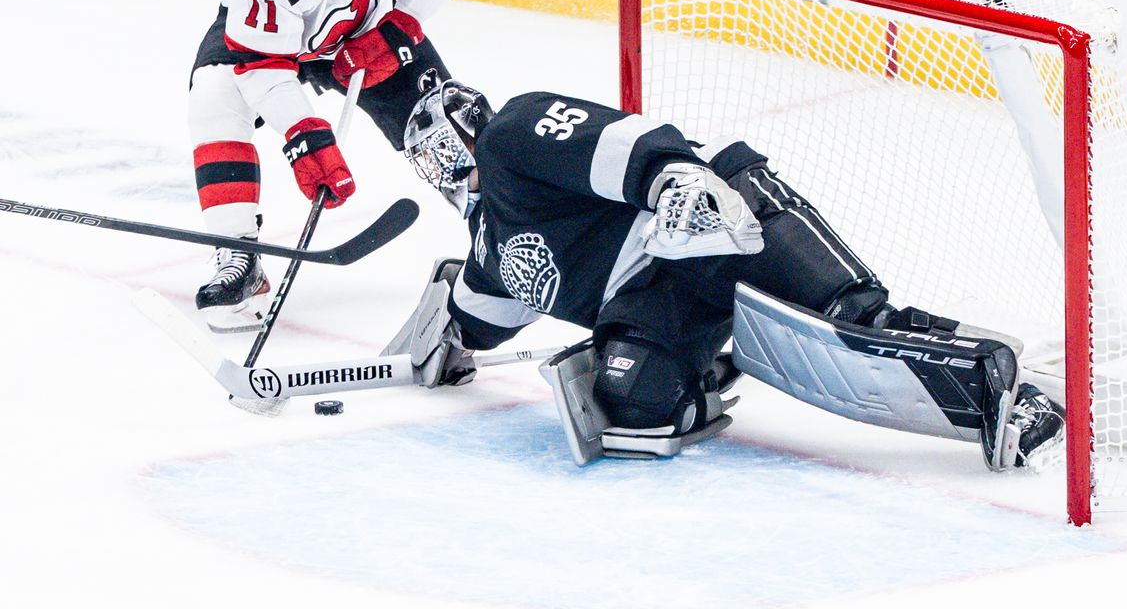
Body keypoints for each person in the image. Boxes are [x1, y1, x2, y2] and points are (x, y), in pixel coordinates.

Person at [388, 80, 1065, 470]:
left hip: (725, 210)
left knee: (852, 324)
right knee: (633, 404)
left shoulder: (514, 135)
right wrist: (444, 341)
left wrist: (675, 178)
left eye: (432, 154)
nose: (436, 168)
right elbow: (476, 318)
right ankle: (714, 363)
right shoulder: (485, 244)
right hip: (657, 290)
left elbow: (625, 143)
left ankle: (1012, 391)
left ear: (449, 143)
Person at [188, 0, 469, 331]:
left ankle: (500, 236)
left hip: (363, 32)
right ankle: (237, 259)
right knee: (214, 94)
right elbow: (260, 66)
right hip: (272, 43)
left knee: (445, 124)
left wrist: (399, 27)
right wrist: (304, 134)